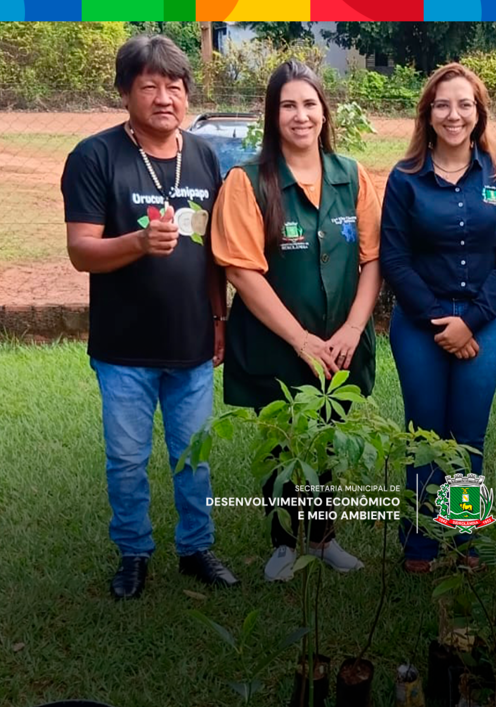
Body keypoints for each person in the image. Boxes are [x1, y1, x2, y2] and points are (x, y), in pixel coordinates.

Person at [60, 35, 239, 600]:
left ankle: (196, 547)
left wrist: (219, 318)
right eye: (150, 86)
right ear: (125, 92)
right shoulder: (95, 156)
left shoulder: (205, 155)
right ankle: (134, 552)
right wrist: (138, 242)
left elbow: (214, 252)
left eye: (176, 86)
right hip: (123, 346)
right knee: (127, 460)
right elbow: (81, 251)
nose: (166, 97)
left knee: (195, 458)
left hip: (190, 342)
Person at [210, 60, 382, 583]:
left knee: (330, 439)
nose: (300, 115)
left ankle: (325, 538)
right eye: (288, 105)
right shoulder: (247, 181)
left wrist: (351, 329)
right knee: (281, 443)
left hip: (342, 341)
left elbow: (373, 259)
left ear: (324, 111)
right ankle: (284, 542)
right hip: (277, 342)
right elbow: (242, 270)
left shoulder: (351, 175)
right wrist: (302, 339)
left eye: (309, 104)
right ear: (272, 114)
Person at [380, 63, 496, 574]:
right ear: (428, 112)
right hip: (421, 323)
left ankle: (466, 540)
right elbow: (395, 260)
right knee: (423, 432)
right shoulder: (404, 179)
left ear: (479, 112)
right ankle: (419, 543)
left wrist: (473, 320)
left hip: (485, 323)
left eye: (465, 104)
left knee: (468, 436)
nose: (454, 114)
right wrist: (443, 320)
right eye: (443, 104)